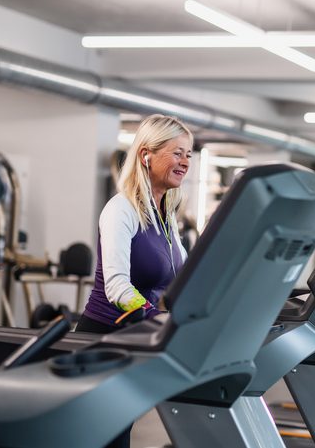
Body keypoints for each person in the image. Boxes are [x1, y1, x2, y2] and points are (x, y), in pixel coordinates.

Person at [77, 114, 192, 448]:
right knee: (108, 439)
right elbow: (117, 288)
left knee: (120, 435)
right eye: (177, 153)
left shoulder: (166, 216)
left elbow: (181, 279)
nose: (185, 161)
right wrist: (159, 320)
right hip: (103, 341)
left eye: (188, 154)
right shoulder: (121, 209)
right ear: (146, 155)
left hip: (138, 343)